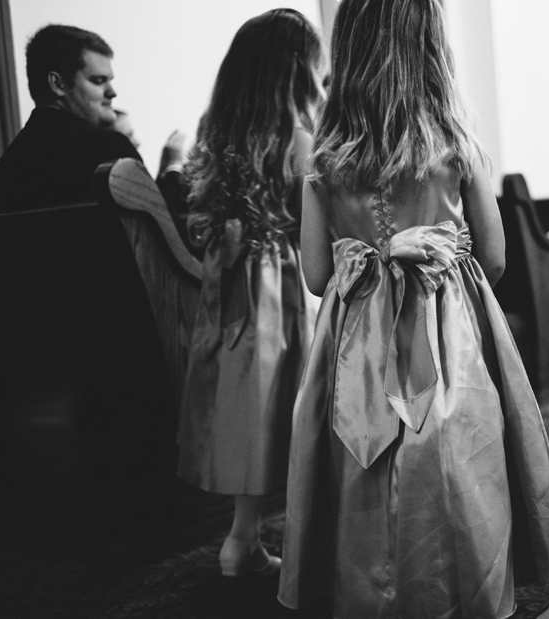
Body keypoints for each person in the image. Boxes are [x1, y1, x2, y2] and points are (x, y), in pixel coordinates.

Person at [277, 1, 549, 616]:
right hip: (446, 332)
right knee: (454, 460)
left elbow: (315, 276)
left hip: (355, 339)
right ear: (431, 49)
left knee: (360, 472)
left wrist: (364, 262)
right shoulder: (457, 143)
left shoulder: (321, 158)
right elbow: (495, 259)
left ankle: (364, 595)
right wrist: (437, 260)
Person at [175, 8, 327, 578]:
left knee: (248, 409)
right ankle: (312, 539)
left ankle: (242, 537)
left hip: (230, 288)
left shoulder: (215, 132)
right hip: (283, 292)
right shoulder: (301, 140)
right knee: (295, 406)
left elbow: (200, 209)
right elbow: (316, 224)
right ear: (297, 72)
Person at [0, 24, 142, 213]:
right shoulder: (109, 151)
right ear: (58, 84)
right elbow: (162, 235)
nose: (112, 92)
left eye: (110, 81)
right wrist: (172, 169)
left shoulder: (7, 169)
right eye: (98, 81)